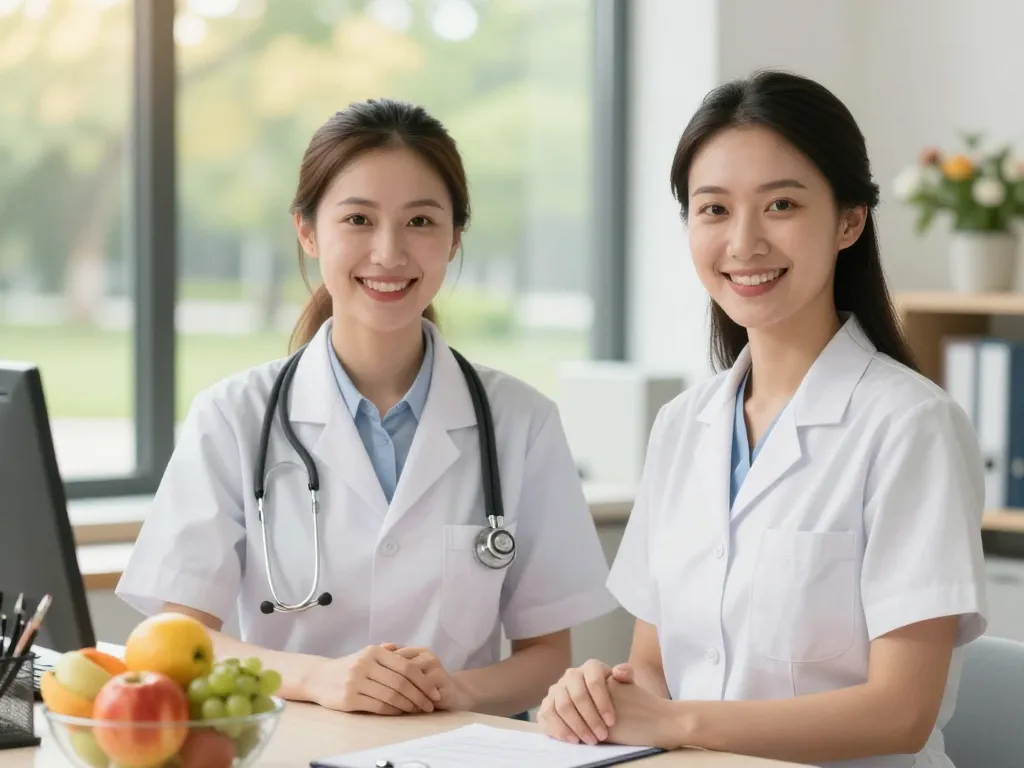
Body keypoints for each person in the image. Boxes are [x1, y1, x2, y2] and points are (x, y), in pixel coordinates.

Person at [537, 70, 988, 767]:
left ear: (848, 220)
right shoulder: (683, 426)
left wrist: (678, 721)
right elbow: (653, 669)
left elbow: (899, 713)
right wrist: (601, 696)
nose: (743, 243)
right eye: (713, 209)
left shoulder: (911, 425)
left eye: (780, 204)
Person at [116, 98, 617, 719]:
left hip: (455, 752)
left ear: (455, 237)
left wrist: (454, 691)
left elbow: (547, 656)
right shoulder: (232, 416)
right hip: (291, 747)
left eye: (421, 222)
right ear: (307, 230)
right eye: (357, 219)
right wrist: (319, 679)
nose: (389, 253)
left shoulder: (522, 422)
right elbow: (175, 641)